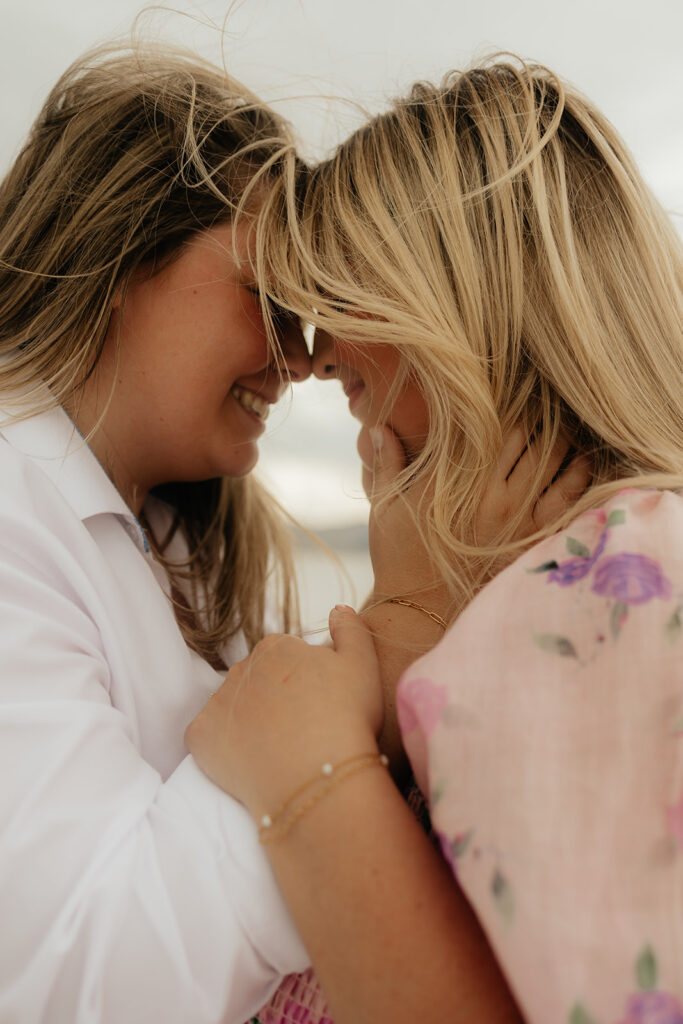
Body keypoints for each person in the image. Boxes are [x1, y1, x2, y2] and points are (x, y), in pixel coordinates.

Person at [185, 57, 683, 1023]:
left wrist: (308, 774)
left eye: (351, 288)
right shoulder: (580, 582)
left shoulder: (612, 593)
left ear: (466, 303)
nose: (317, 352)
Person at [0, 43, 317, 1023]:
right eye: (268, 295)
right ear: (121, 254)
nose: (299, 355)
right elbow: (81, 975)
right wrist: (311, 763)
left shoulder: (180, 537)